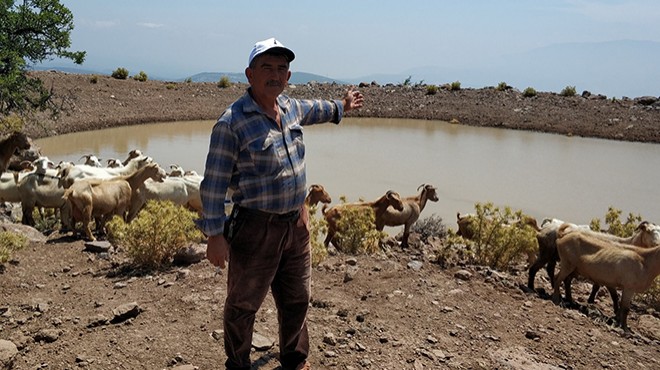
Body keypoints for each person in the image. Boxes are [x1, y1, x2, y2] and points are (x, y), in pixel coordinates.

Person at [196, 37, 364, 370]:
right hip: (255, 228)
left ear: (288, 76)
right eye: (267, 68)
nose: (276, 74)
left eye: (282, 68)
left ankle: (295, 360)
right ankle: (239, 363)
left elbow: (317, 109)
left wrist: (342, 105)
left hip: (296, 225)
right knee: (244, 304)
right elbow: (213, 185)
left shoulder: (290, 108)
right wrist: (215, 235)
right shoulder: (231, 123)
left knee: (297, 298)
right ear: (249, 74)